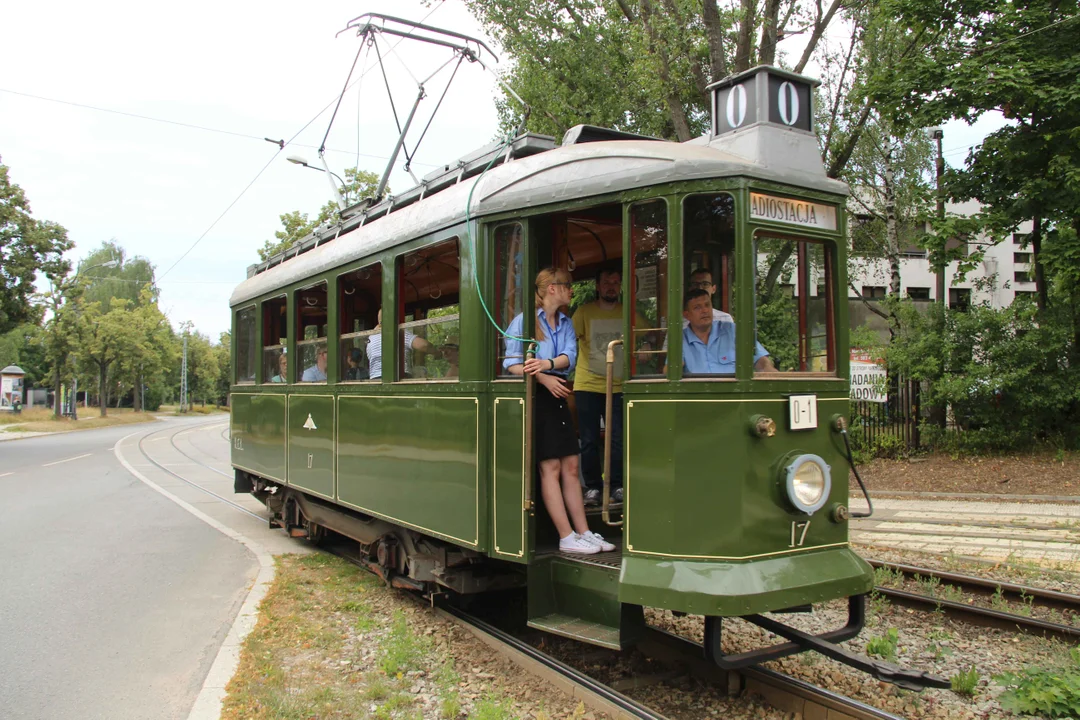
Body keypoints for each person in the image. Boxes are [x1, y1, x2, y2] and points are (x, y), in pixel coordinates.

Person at [504, 268, 616, 555]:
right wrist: (541, 376)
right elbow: (511, 364)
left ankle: (584, 532)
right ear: (552, 288)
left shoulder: (565, 321)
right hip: (537, 396)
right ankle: (566, 536)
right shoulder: (525, 322)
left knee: (571, 466)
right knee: (550, 468)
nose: (572, 290)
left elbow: (570, 356)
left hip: (558, 394)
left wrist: (547, 365)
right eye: (568, 285)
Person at [572, 266, 648, 507]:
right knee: (589, 439)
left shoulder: (630, 313)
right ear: (598, 285)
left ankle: (616, 485)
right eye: (607, 281)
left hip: (618, 385)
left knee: (617, 438)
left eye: (616, 281)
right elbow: (568, 341)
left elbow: (649, 335)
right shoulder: (584, 312)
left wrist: (645, 345)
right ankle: (593, 487)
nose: (611, 286)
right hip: (587, 384)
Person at [680, 289, 775, 374]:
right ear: (686, 315)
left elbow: (760, 360)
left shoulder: (732, 330)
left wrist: (769, 369)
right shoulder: (680, 340)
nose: (705, 310)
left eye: (707, 305)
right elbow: (669, 371)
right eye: (697, 307)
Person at [367, 309, 438, 379]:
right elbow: (424, 345)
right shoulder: (398, 333)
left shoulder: (371, 337)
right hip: (398, 378)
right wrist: (437, 352)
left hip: (375, 380)